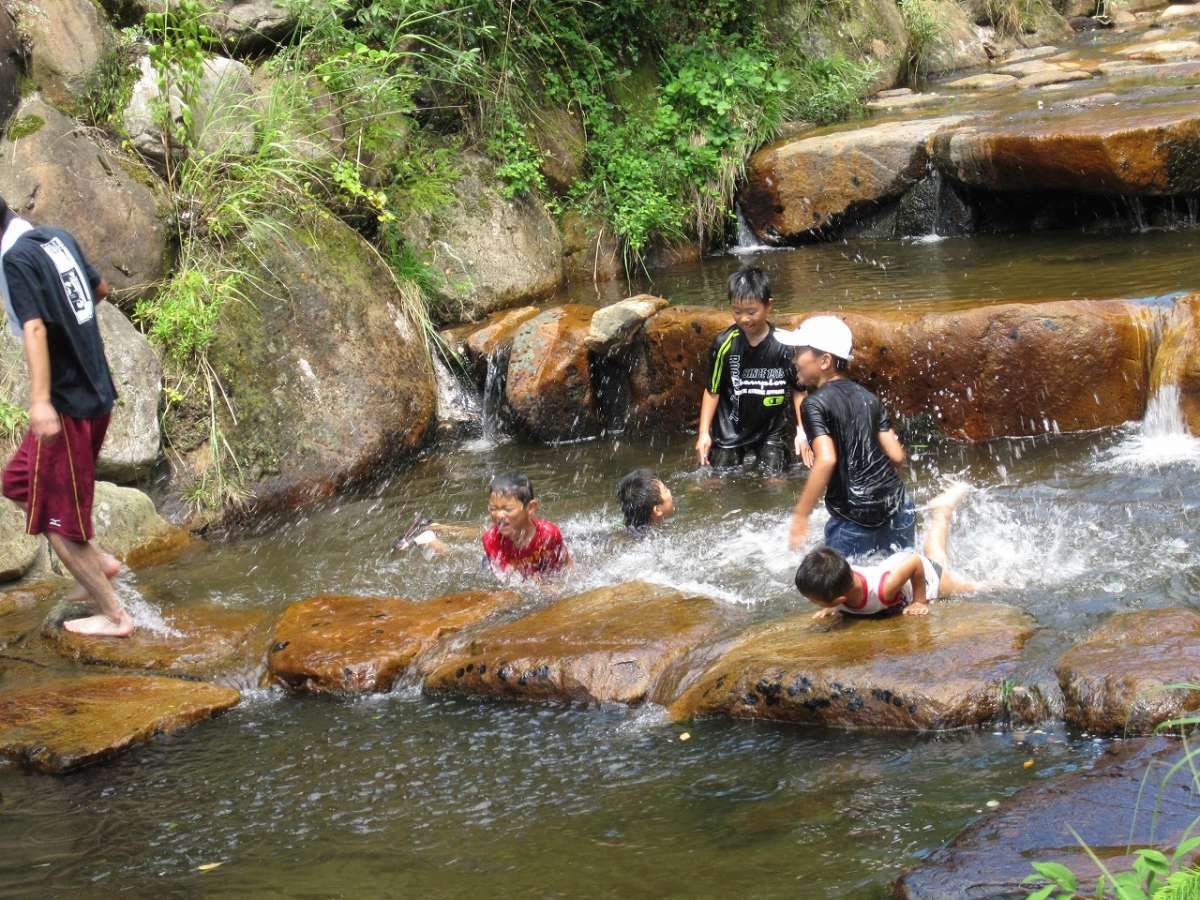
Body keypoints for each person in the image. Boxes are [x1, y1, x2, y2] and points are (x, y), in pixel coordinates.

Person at [0, 197, 132, 636]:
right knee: (18, 482)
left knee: (55, 518)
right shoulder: (56, 237)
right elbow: (101, 291)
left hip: (67, 407)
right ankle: (100, 564)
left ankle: (115, 615)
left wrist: (40, 401)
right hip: (93, 393)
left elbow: (34, 328)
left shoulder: (15, 260)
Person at [777, 316, 914, 558]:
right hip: (899, 507)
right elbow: (896, 455)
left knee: (837, 590)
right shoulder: (868, 397)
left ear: (825, 360)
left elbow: (826, 459)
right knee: (898, 582)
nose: (794, 360)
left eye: (799, 352)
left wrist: (801, 515)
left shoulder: (813, 404)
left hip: (854, 519)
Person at [794, 483, 977, 619]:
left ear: (838, 599)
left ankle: (942, 512)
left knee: (968, 587)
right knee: (935, 553)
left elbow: (915, 562)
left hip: (927, 575)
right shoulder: (841, 578)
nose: (812, 603)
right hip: (895, 565)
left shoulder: (883, 590)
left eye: (815, 601)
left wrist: (920, 601)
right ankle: (941, 510)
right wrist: (831, 608)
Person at [695, 267, 810, 475]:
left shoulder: (784, 344)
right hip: (731, 428)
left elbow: (799, 390)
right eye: (737, 312)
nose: (744, 319)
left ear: (769, 306)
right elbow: (712, 390)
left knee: (776, 480)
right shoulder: (724, 344)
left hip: (772, 430)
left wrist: (803, 431)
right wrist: (704, 433)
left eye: (751, 312)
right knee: (718, 481)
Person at [481, 472, 570, 579]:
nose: (499, 515)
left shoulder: (549, 534)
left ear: (530, 508)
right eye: (493, 509)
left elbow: (566, 566)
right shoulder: (491, 540)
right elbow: (508, 581)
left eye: (508, 509)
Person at [615, 468, 676, 539]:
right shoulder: (652, 539)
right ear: (657, 509)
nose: (669, 490)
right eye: (665, 490)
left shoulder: (624, 529)